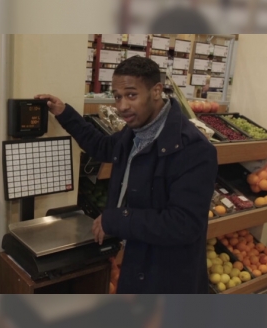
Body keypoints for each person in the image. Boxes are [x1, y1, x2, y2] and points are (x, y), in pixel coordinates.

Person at [35, 56, 218, 294]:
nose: (122, 106)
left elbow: (184, 225)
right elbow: (101, 146)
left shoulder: (194, 149)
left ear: (156, 91)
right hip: (135, 260)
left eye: (131, 95)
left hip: (169, 275)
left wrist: (118, 220)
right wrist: (64, 113)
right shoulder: (134, 133)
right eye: (117, 96)